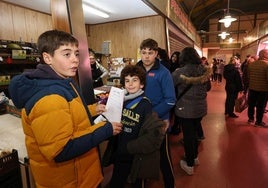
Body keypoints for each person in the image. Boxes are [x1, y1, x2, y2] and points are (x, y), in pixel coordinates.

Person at [8, 30, 122, 188]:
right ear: (47, 57)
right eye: (67, 54)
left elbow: (67, 113)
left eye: (76, 54)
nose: (75, 60)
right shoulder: (49, 98)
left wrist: (91, 110)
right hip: (69, 181)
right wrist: (105, 130)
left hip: (79, 175)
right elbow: (62, 150)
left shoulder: (63, 80)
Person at [109, 65, 165, 188]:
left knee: (136, 182)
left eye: (135, 80)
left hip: (135, 153)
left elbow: (148, 133)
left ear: (142, 84)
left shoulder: (145, 105)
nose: (130, 84)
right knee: (116, 180)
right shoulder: (120, 100)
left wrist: (131, 147)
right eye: (127, 81)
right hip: (120, 150)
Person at [136, 38, 176, 188]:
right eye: (143, 52)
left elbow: (170, 100)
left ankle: (170, 184)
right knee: (140, 156)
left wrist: (151, 114)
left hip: (158, 121)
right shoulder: (136, 69)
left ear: (156, 54)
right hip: (139, 120)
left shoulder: (164, 73)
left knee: (163, 157)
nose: (146, 56)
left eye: (150, 53)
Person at [172, 47, 211, 175]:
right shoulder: (204, 70)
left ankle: (189, 165)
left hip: (185, 108)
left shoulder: (179, 72)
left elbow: (171, 86)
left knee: (188, 135)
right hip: (200, 108)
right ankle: (194, 157)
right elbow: (208, 87)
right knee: (194, 132)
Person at [247, 49, 268, 127]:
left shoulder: (251, 64)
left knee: (251, 104)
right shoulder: (267, 64)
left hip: (252, 88)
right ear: (264, 55)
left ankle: (250, 118)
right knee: (260, 106)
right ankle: (258, 122)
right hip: (263, 89)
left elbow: (248, 77)